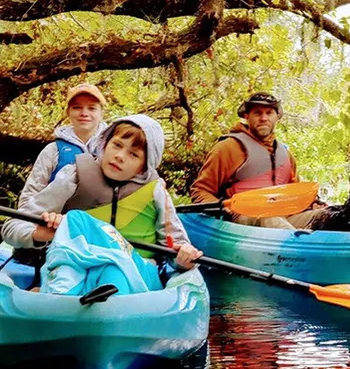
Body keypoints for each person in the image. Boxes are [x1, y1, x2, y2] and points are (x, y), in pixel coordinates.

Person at [1, 115, 203, 289]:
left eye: (133, 154)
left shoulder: (156, 192)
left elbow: (176, 247)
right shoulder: (74, 176)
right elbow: (12, 228)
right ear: (104, 144)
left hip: (134, 271)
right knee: (71, 256)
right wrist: (39, 234)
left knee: (112, 271)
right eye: (116, 145)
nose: (119, 156)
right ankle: (55, 299)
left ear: (144, 166)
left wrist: (183, 259)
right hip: (77, 266)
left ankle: (94, 299)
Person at [189, 92, 327, 230]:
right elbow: (200, 190)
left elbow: (294, 196)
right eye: (257, 113)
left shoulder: (286, 155)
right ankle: (299, 248)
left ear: (277, 117)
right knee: (268, 216)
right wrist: (221, 208)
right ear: (246, 116)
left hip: (285, 218)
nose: (263, 118)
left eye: (269, 113)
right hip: (243, 218)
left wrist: (311, 205)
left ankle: (312, 244)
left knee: (332, 215)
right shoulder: (227, 148)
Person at [18, 83, 109, 207]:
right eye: (77, 107)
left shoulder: (111, 150)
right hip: (52, 221)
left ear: (101, 113)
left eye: (92, 108)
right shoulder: (52, 150)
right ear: (68, 112)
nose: (84, 113)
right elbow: (29, 197)